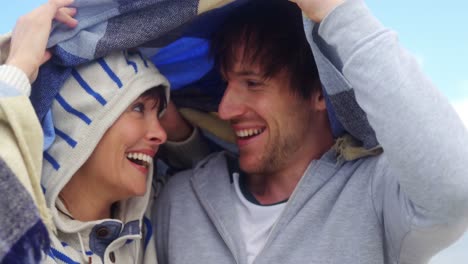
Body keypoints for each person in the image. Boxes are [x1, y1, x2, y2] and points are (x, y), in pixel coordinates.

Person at [154, 0, 468, 263]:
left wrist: (338, 11)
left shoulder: (376, 195)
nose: (226, 110)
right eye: (227, 84)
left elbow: (454, 190)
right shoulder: (180, 199)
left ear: (319, 92)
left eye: (252, 83)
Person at [0, 0, 206, 263]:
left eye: (160, 115)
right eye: (138, 108)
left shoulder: (152, 223)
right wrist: (21, 65)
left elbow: (204, 175)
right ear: (79, 119)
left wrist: (170, 115)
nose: (161, 134)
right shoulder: (23, 241)